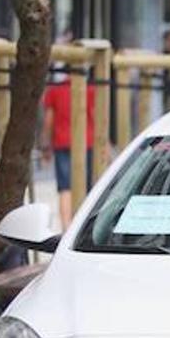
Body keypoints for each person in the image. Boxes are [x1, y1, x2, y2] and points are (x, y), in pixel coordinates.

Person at [41, 70, 96, 229]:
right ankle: (83, 227)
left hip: (62, 142)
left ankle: (66, 228)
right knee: (86, 187)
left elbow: (48, 120)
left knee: (65, 188)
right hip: (87, 142)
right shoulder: (90, 88)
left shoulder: (55, 89)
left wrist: (45, 144)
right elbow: (95, 115)